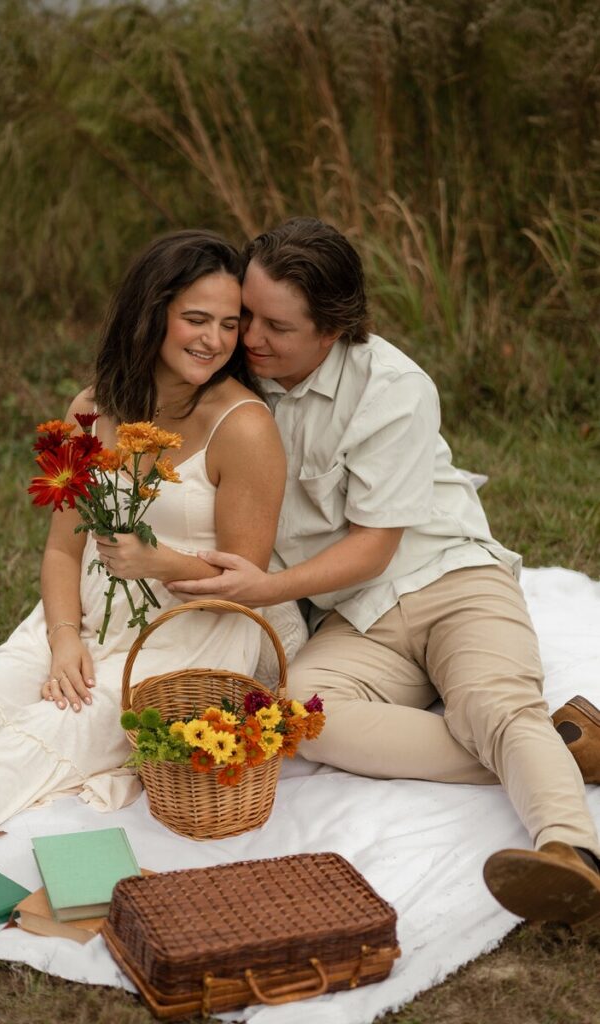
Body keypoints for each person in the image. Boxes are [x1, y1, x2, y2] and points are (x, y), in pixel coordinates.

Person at [168, 217, 600, 926]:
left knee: (490, 701)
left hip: (449, 579)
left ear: (332, 329)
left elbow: (373, 547)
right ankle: (557, 752)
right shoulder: (240, 375)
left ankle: (569, 856)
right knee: (302, 716)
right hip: (355, 614)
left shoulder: (392, 387)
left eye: (276, 326)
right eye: (246, 314)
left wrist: (264, 588)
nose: (249, 338)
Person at [0, 229, 305, 862]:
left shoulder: (245, 427)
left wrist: (160, 562)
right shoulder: (94, 410)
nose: (214, 339)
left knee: (39, 738)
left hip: (191, 630)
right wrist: (63, 637)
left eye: (230, 325)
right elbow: (63, 552)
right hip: (90, 608)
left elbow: (244, 582)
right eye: (196, 319)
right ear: (153, 315)